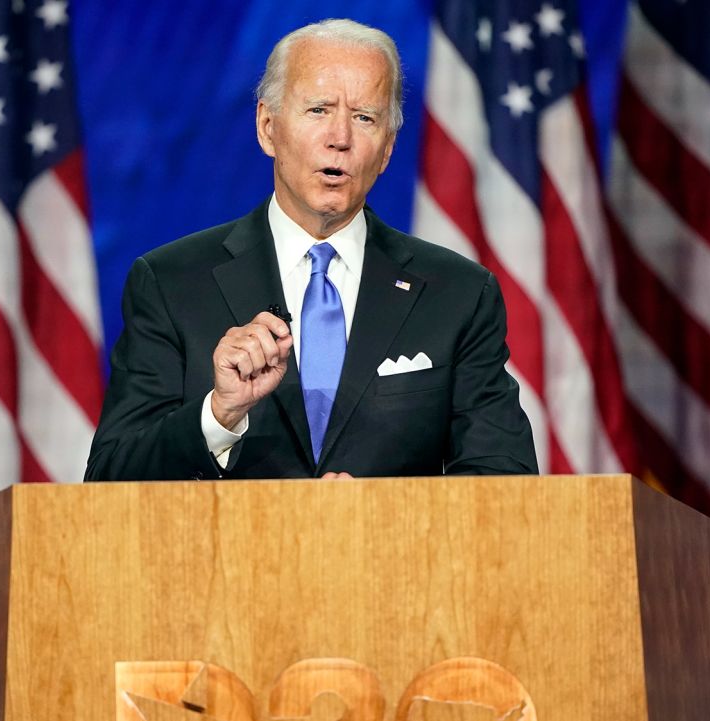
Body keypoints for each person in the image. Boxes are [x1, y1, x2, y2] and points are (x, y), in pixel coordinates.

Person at [85, 19, 537, 481]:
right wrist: (218, 415)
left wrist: (383, 518)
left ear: (386, 150)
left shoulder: (457, 293)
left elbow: (503, 481)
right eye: (319, 109)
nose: (340, 137)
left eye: (365, 117)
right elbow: (110, 481)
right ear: (267, 127)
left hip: (392, 552)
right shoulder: (171, 282)